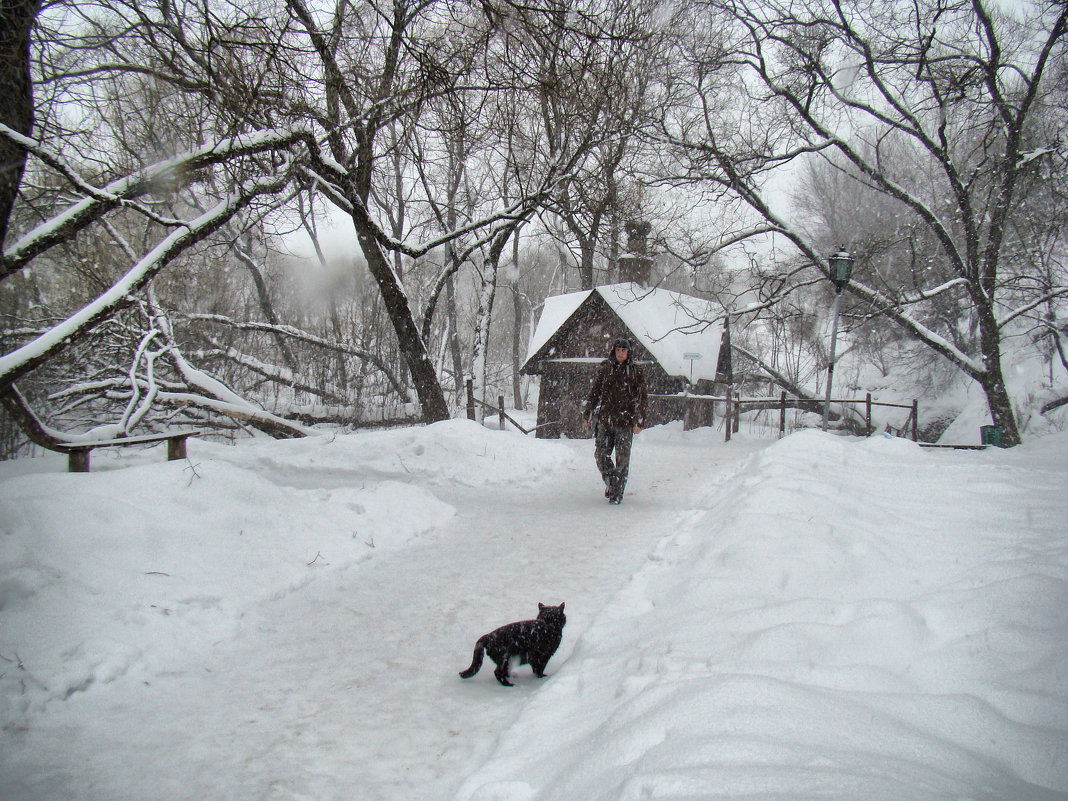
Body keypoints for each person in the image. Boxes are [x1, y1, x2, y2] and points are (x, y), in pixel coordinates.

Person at [583, 337, 649, 504]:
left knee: (622, 460)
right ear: (614, 351)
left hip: (625, 422)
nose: (620, 353)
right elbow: (595, 391)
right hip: (606, 420)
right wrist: (588, 412)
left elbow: (642, 398)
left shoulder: (635, 371)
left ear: (628, 353)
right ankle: (612, 483)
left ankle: (617, 493)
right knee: (600, 455)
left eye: (623, 350)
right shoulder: (606, 368)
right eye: (618, 350)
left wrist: (639, 422)